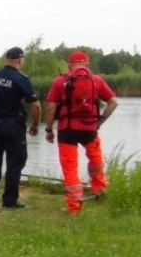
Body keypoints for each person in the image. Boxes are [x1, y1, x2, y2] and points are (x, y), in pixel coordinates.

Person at [44, 50, 118, 214]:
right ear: (87, 64)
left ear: (70, 65)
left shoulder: (60, 81)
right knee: (96, 160)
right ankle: (99, 190)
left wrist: (49, 129)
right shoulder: (97, 81)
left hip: (67, 129)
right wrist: (100, 121)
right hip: (90, 129)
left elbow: (50, 108)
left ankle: (74, 207)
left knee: (70, 167)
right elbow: (113, 102)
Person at [0, 47, 41, 208]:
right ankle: (9, 200)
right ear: (20, 60)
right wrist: (35, 124)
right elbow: (35, 105)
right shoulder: (21, 79)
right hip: (14, 125)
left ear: (7, 59)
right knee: (15, 161)